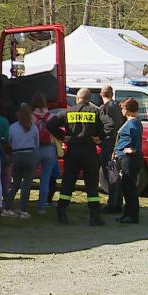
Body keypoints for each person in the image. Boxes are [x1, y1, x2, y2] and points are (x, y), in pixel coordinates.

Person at [46, 88, 110, 226]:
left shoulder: (67, 112)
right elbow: (109, 124)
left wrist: (63, 137)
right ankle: (95, 216)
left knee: (68, 182)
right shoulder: (96, 111)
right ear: (90, 99)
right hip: (89, 152)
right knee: (91, 184)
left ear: (77, 98)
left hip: (72, 152)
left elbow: (50, 124)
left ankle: (62, 211)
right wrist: (100, 137)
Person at [3, 105, 39, 219]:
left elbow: (8, 142)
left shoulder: (12, 127)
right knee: (26, 185)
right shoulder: (33, 127)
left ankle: (7, 208)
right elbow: (37, 144)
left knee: (15, 184)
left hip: (17, 155)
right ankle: (23, 210)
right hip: (30, 155)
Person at [114, 99, 142, 224]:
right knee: (126, 186)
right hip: (124, 157)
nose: (121, 110)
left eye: (123, 108)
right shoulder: (129, 122)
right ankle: (126, 213)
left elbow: (136, 136)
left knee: (129, 186)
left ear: (128, 109)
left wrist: (133, 149)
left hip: (129, 159)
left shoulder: (133, 123)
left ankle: (132, 215)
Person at [98, 86, 125, 214]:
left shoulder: (105, 108)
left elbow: (109, 125)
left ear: (100, 94)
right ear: (112, 94)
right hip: (116, 144)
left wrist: (100, 137)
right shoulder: (116, 107)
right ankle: (118, 203)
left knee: (111, 175)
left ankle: (112, 205)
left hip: (108, 144)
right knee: (114, 175)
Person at [31, 92, 59, 212]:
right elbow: (57, 133)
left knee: (28, 178)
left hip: (36, 148)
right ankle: (41, 207)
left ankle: (23, 206)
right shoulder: (51, 117)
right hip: (50, 149)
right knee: (45, 179)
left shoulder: (31, 116)